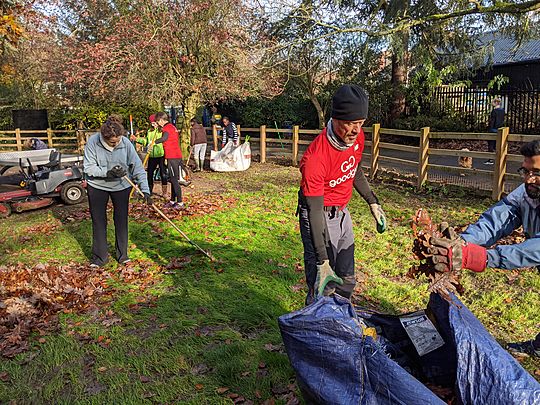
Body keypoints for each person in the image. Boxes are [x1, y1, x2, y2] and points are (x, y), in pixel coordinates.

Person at [427, 139, 540, 358]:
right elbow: (500, 217)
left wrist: (480, 257)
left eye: (536, 172)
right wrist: (463, 243)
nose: (529, 179)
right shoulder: (528, 190)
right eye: (525, 172)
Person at [298, 84, 387, 305]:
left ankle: (338, 323)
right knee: (324, 284)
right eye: (350, 123)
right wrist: (322, 259)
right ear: (336, 119)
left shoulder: (357, 138)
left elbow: (352, 168)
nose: (356, 130)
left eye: (360, 123)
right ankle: (314, 332)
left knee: (347, 280)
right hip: (318, 215)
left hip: (342, 213)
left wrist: (372, 202)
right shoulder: (315, 159)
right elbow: (314, 210)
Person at [83, 117, 152, 267]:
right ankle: (100, 258)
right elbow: (88, 168)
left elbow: (137, 167)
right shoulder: (93, 142)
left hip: (121, 185)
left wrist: (145, 190)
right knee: (99, 221)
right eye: (112, 142)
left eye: (118, 140)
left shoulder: (126, 143)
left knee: (121, 220)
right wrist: (107, 172)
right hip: (97, 185)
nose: (116, 144)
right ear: (104, 138)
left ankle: (122, 255)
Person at [154, 112, 189, 209]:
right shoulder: (172, 127)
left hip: (173, 156)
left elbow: (164, 138)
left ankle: (180, 202)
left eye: (158, 122)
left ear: (161, 120)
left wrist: (154, 142)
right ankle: (173, 200)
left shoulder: (167, 128)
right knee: (173, 179)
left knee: (174, 180)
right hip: (176, 155)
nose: (158, 124)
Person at [131, 114, 168, 197]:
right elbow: (146, 142)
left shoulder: (162, 131)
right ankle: (149, 191)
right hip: (151, 155)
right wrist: (136, 139)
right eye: (152, 123)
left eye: (154, 123)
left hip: (161, 154)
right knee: (150, 173)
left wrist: (155, 144)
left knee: (163, 174)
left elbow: (164, 141)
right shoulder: (149, 131)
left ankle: (164, 192)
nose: (153, 125)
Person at [484, 98, 505, 165]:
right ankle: (499, 159)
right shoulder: (502, 111)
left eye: (493, 102)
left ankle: (490, 160)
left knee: (491, 144)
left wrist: (489, 128)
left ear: (496, 103)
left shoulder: (494, 111)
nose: (492, 103)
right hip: (499, 129)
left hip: (493, 129)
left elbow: (492, 121)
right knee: (497, 145)